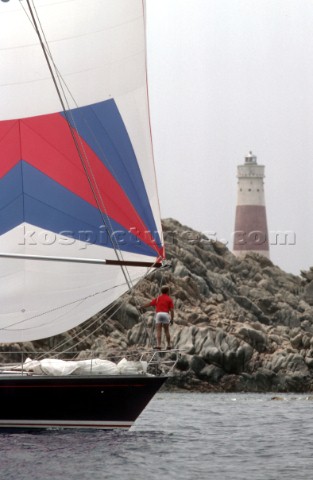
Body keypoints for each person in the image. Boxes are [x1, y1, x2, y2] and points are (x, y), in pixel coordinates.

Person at [141, 286, 174, 350]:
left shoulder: (158, 298)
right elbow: (172, 310)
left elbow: (150, 304)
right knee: (166, 331)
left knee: (159, 331)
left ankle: (159, 345)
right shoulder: (169, 299)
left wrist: (141, 307)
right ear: (167, 291)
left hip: (158, 314)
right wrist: (172, 319)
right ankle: (169, 345)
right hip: (165, 314)